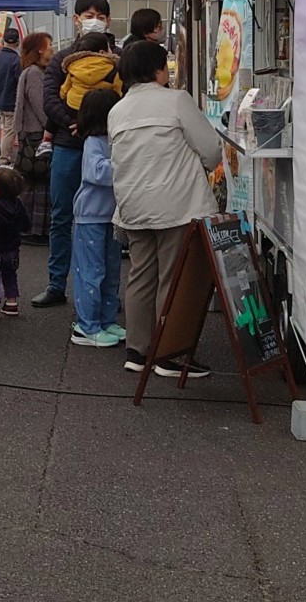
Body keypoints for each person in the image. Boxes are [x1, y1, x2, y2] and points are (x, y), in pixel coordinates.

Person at [109, 40, 221, 378]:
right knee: (172, 279)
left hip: (133, 205)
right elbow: (211, 150)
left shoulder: (117, 110)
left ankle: (137, 350)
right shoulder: (176, 101)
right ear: (158, 70)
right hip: (175, 203)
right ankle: (168, 355)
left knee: (140, 277)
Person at [33, 0, 112, 308]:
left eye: (100, 16)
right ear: (76, 19)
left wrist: (96, 126)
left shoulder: (117, 58)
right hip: (68, 145)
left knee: (107, 219)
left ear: (108, 20)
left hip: (107, 146)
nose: (94, 20)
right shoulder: (62, 58)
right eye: (88, 15)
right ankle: (56, 284)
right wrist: (74, 123)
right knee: (61, 215)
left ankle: (104, 289)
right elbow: (50, 99)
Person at [71, 88, 125, 348]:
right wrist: (126, 165)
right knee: (92, 271)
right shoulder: (94, 141)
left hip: (109, 216)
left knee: (112, 271)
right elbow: (97, 172)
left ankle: (106, 320)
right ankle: (87, 325)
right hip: (90, 216)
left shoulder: (111, 140)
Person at [12, 32, 53, 246]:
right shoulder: (35, 74)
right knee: (39, 182)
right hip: (37, 133)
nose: (52, 49)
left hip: (31, 132)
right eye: (49, 45)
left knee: (34, 182)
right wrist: (53, 126)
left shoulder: (31, 72)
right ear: (39, 49)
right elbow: (41, 107)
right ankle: (34, 229)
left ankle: (31, 228)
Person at [0, 166, 29, 319]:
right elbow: (26, 225)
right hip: (12, 248)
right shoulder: (18, 204)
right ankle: (11, 302)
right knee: (10, 275)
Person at [60, 32, 121, 110]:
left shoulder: (74, 68)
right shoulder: (113, 71)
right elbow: (117, 93)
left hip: (73, 106)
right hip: (101, 108)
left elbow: (63, 91)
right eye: (109, 48)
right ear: (102, 52)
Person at [0, 26, 22, 164]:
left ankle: (0, 154)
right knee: (9, 130)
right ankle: (3, 158)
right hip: (11, 101)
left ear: (3, 41)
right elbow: (19, 82)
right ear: (17, 42)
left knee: (3, 127)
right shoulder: (16, 60)